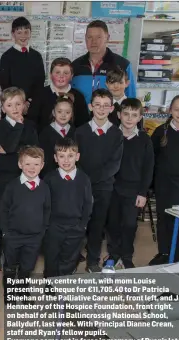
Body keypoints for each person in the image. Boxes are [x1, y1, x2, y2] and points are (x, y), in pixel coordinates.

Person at [75, 88, 123, 272]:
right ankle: (71, 259)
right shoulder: (80, 132)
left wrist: (92, 180)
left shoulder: (116, 134)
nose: (101, 109)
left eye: (105, 106)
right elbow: (74, 159)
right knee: (78, 224)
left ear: (111, 108)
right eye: (97, 105)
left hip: (104, 188)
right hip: (81, 186)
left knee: (97, 225)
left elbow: (114, 165)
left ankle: (92, 261)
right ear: (90, 107)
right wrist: (83, 181)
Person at [0, 87, 39, 270]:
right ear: (3, 108)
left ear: (24, 105)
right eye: (10, 105)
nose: (15, 108)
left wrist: (13, 149)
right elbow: (11, 144)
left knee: (20, 215)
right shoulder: (0, 125)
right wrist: (17, 139)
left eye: (18, 104)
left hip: (24, 177)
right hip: (5, 177)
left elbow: (33, 151)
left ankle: (16, 254)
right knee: (0, 215)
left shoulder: (31, 125)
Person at [106, 98, 154, 269]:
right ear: (118, 115)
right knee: (112, 223)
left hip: (133, 190)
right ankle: (113, 254)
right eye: (126, 114)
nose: (129, 118)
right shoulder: (110, 135)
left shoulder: (144, 140)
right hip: (112, 188)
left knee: (129, 224)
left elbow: (148, 168)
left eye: (134, 115)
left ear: (140, 117)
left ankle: (126, 255)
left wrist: (142, 193)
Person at [149, 95, 179, 265]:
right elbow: (151, 156)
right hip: (161, 180)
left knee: (174, 217)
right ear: (170, 110)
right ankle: (163, 252)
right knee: (162, 216)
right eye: (176, 109)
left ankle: (173, 257)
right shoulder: (161, 131)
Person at [0, 146, 50, 298]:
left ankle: (23, 292)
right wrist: (5, 232)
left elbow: (47, 210)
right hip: (13, 236)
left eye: (36, 164)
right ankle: (10, 293)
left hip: (34, 237)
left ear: (42, 165)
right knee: (10, 266)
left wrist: (42, 231)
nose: (32, 168)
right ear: (20, 164)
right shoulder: (12, 186)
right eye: (27, 164)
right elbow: (3, 210)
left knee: (27, 267)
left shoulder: (45, 187)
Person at [42, 137, 93, 278]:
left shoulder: (84, 179)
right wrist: (46, 225)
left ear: (77, 157)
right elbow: (44, 204)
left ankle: (64, 283)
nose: (66, 160)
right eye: (62, 156)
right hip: (54, 227)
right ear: (55, 158)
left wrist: (82, 225)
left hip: (75, 227)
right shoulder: (49, 179)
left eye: (70, 156)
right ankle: (50, 284)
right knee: (52, 257)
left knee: (69, 258)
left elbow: (88, 203)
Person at [71, 20, 136, 105]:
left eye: (98, 37)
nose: (93, 41)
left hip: (111, 117)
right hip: (81, 118)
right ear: (85, 38)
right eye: (89, 37)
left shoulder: (123, 65)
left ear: (107, 38)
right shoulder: (75, 66)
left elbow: (132, 103)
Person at [0, 17, 45, 118]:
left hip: (32, 106)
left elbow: (40, 83)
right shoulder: (6, 56)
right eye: (19, 33)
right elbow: (5, 84)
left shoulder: (36, 56)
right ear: (13, 34)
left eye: (26, 32)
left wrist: (28, 102)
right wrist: (19, 104)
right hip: (12, 106)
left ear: (30, 33)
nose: (23, 36)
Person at [30, 58, 89, 132]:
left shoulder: (78, 96)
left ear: (71, 76)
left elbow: (82, 124)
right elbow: (32, 122)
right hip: (44, 140)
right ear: (51, 75)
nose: (61, 76)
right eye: (57, 72)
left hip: (71, 142)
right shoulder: (39, 94)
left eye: (66, 73)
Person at [38, 94, 77, 176]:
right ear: (53, 112)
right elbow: (43, 158)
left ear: (71, 114)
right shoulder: (45, 133)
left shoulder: (76, 132)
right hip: (50, 176)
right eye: (59, 111)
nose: (63, 115)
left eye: (67, 112)